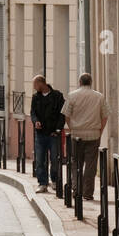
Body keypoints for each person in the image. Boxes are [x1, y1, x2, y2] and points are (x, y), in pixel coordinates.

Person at [62, 73, 109, 203]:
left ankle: (76, 189)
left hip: (77, 134)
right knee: (91, 164)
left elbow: (66, 114)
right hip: (93, 134)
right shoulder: (99, 96)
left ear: (79, 82)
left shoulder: (72, 96)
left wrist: (71, 127)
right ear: (91, 82)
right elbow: (105, 116)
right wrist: (100, 130)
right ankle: (87, 193)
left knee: (76, 162)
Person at [30, 74, 65, 192]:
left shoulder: (57, 96)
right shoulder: (36, 97)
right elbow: (33, 113)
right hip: (40, 134)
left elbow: (62, 114)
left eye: (35, 84)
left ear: (41, 83)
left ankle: (54, 180)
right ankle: (42, 183)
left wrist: (58, 130)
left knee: (54, 159)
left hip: (53, 134)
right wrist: (36, 122)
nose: (34, 87)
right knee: (40, 160)